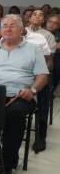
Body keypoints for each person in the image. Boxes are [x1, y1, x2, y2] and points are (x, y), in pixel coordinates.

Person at [0, 15, 49, 174]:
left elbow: (42, 75)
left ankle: (7, 165)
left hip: (20, 95)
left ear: (21, 29)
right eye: (5, 26)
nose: (8, 29)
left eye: (13, 26)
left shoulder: (33, 49)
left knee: (15, 114)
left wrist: (32, 90)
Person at [26, 9, 56, 152]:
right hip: (23, 71)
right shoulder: (22, 31)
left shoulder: (47, 35)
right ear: (29, 17)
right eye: (34, 14)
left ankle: (41, 136)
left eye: (41, 15)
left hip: (39, 71)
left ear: (43, 19)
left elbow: (50, 60)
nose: (37, 17)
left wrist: (42, 73)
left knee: (43, 95)